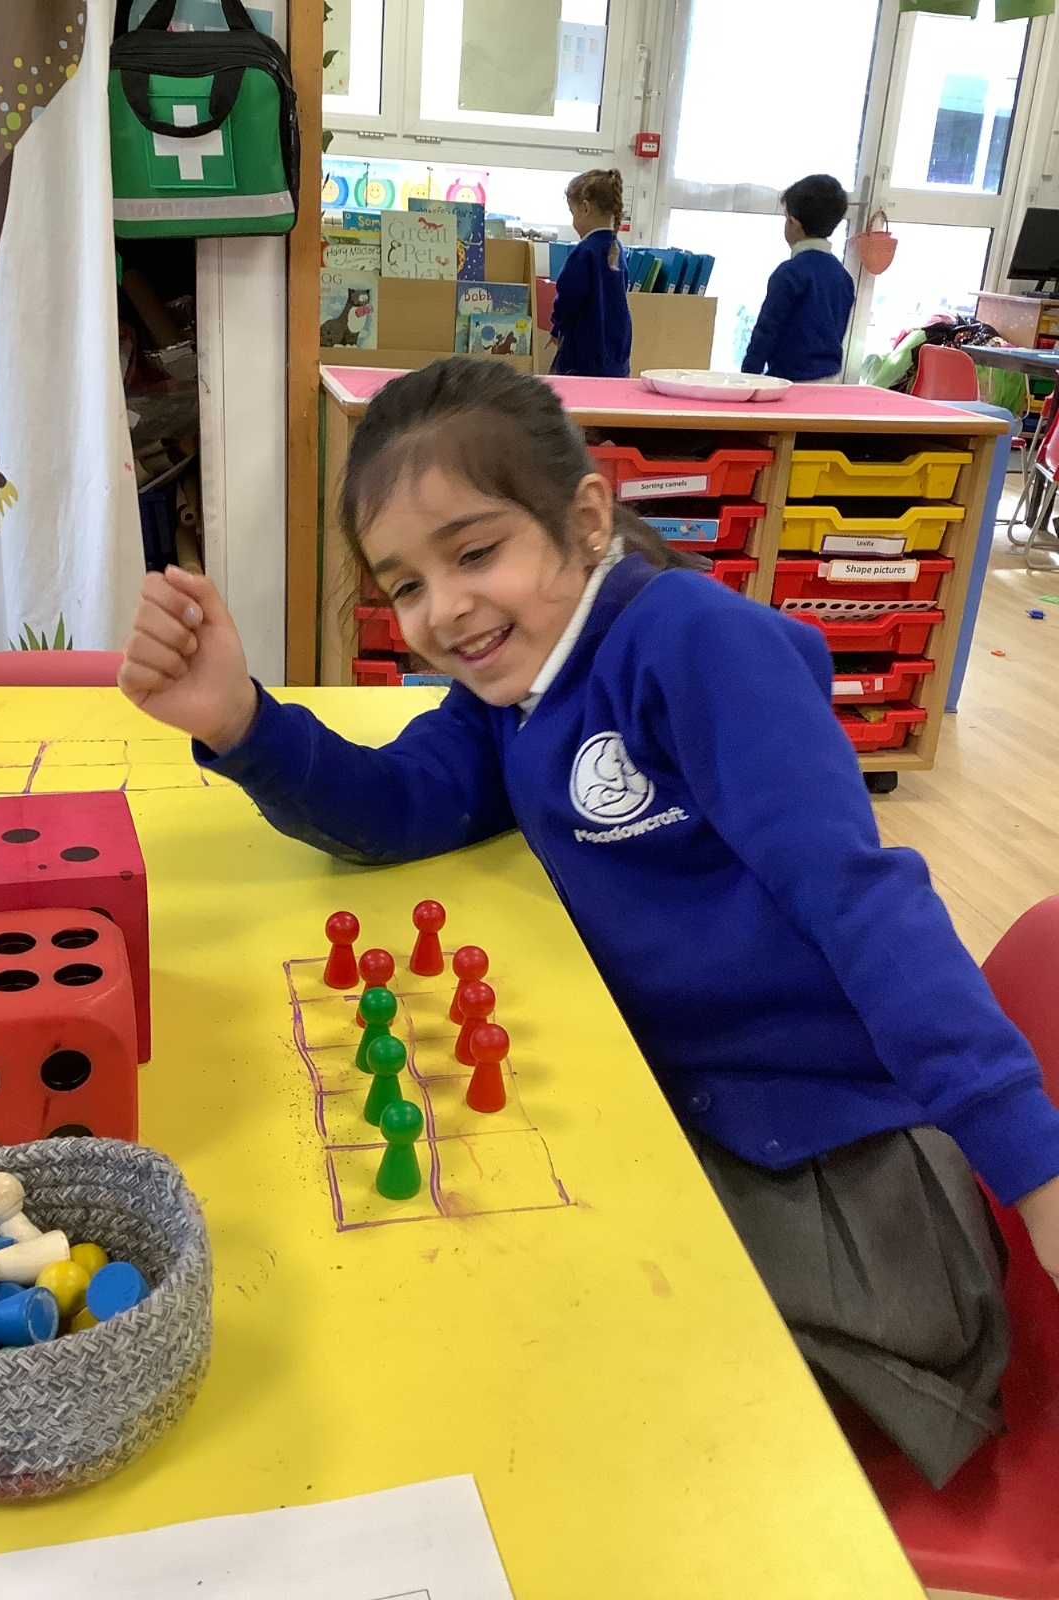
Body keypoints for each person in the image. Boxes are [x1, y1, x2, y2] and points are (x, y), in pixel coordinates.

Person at [120, 359, 1059, 1488]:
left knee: (552, 1390)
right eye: (406, 584)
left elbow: (865, 903)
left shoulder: (695, 647)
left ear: (585, 517)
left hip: (838, 1172)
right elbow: (398, 807)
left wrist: (1037, 1166)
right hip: (675, 1121)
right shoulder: (509, 695)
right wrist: (242, 722)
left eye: (475, 553)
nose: (444, 609)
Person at [742, 174, 855, 383]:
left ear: (793, 222)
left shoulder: (789, 273)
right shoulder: (844, 277)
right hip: (831, 380)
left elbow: (766, 331)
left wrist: (747, 376)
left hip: (789, 381)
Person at [550, 168, 632, 378]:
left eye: (573, 213)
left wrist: (556, 326)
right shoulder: (617, 249)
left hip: (584, 357)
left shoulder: (585, 251)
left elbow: (568, 295)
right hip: (616, 358)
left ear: (585, 208)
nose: (573, 222)